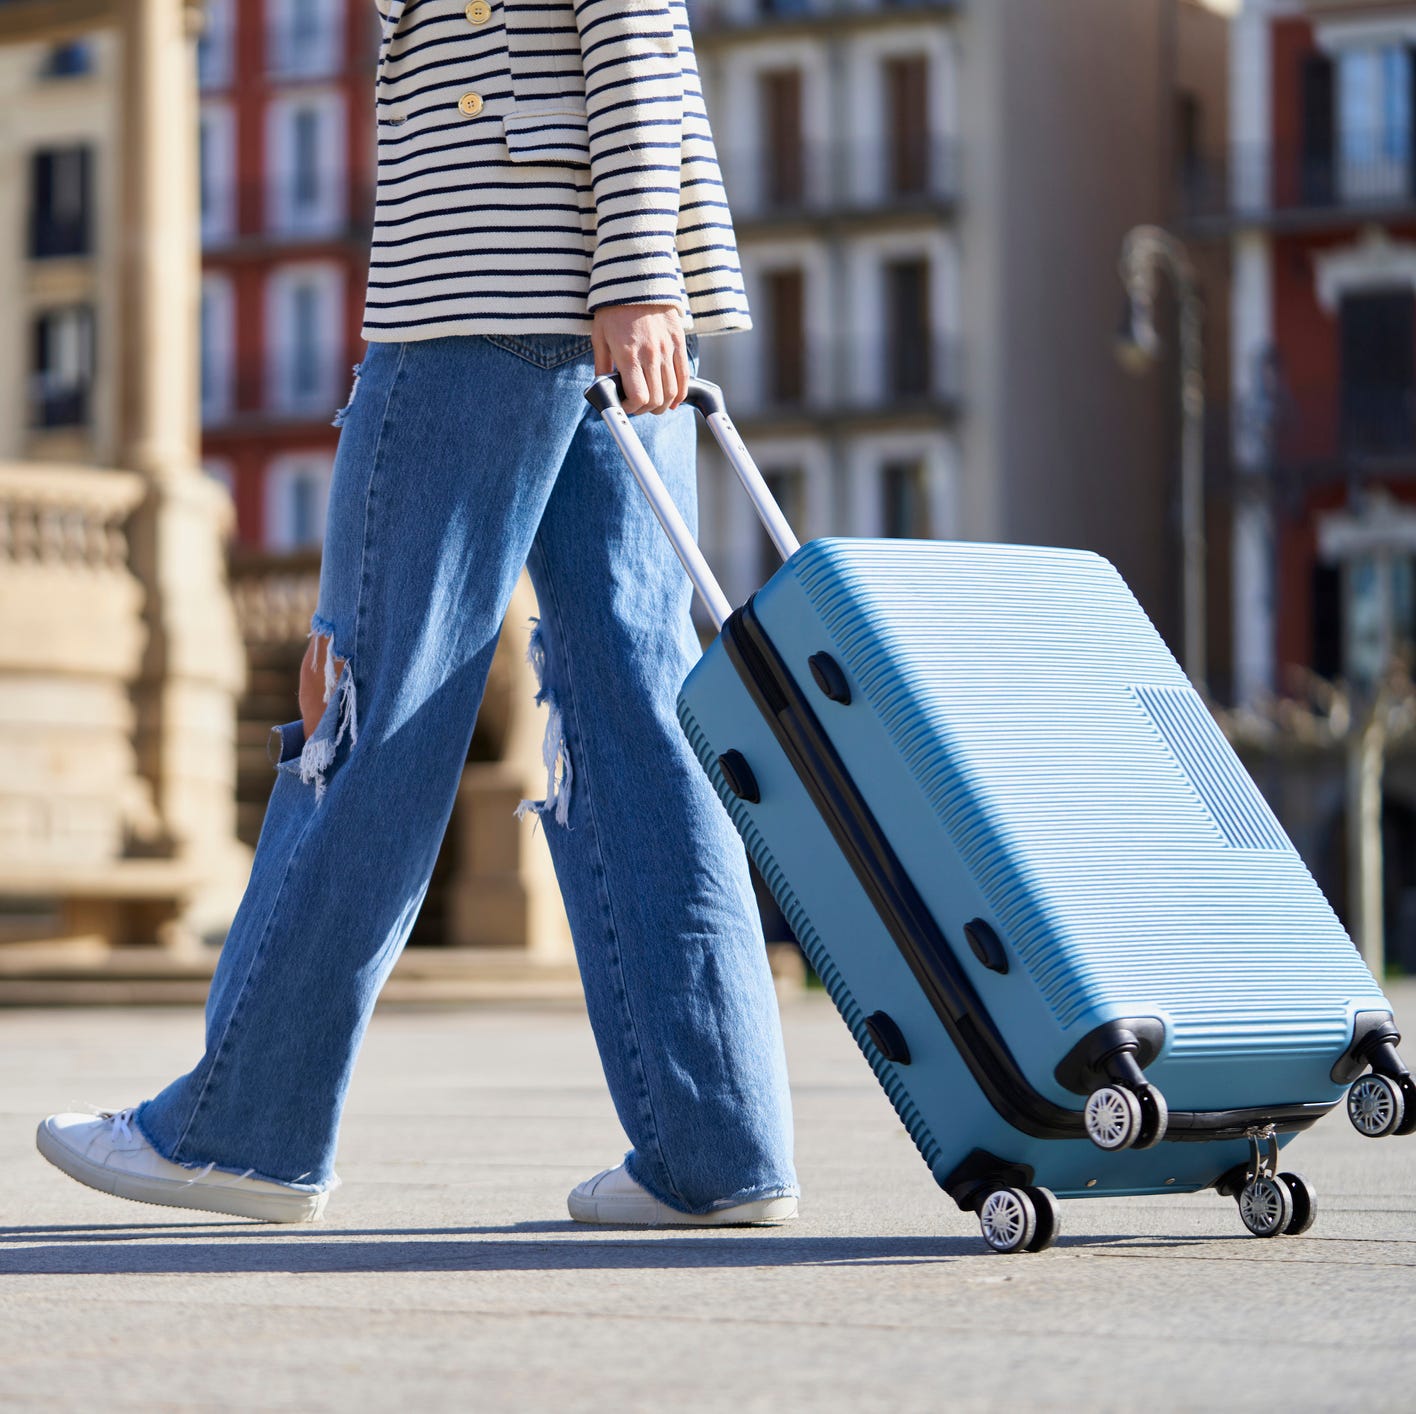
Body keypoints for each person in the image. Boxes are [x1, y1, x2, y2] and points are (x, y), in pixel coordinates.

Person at [35, 0, 799, 1228]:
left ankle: (247, 1126)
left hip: (488, 292)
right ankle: (718, 1145)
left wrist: (641, 276)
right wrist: (640, 277)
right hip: (593, 288)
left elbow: (636, 23)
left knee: (369, 697)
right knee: (641, 714)